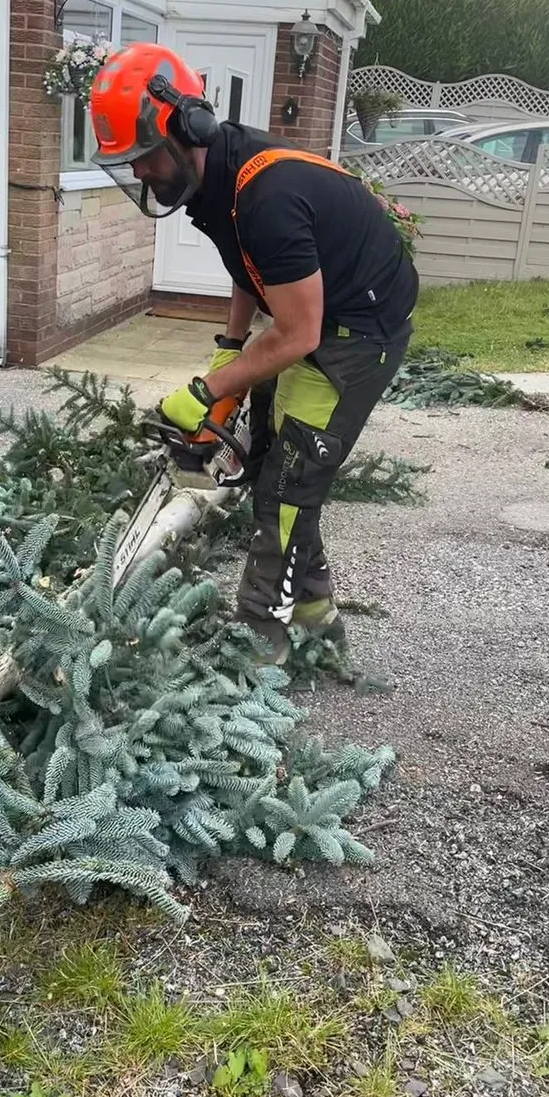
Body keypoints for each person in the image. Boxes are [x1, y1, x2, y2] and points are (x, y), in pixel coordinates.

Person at [88, 43, 418, 664]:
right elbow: (248, 268)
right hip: (308, 317)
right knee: (272, 463)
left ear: (187, 128)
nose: (139, 174)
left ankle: (257, 645)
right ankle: (318, 611)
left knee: (286, 492)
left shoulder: (268, 194)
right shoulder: (215, 182)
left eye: (144, 157)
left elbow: (300, 335)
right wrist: (230, 353)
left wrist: (207, 394)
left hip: (355, 335)